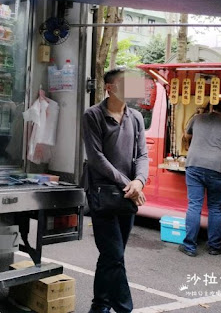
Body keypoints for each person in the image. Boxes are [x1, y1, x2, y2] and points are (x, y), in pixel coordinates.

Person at [82, 68, 148, 313]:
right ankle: (123, 307)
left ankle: (99, 305)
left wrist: (139, 181)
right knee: (115, 254)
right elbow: (96, 158)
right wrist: (126, 183)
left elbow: (142, 154)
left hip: (128, 196)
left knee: (111, 257)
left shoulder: (136, 118)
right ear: (109, 88)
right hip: (103, 194)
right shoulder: (93, 115)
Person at [179, 101, 221, 257]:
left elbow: (187, 135)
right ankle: (214, 246)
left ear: (213, 108)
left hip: (194, 165)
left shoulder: (198, 118)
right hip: (218, 169)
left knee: (194, 205)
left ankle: (190, 246)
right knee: (215, 207)